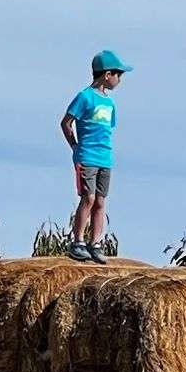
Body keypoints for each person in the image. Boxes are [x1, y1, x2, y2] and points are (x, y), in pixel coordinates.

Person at [61, 49, 133, 264]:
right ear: (107, 74)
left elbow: (108, 129)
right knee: (88, 198)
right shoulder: (85, 96)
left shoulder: (110, 103)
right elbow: (66, 122)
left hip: (104, 156)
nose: (119, 79)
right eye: (118, 74)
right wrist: (75, 146)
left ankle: (96, 243)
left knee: (101, 201)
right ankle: (78, 241)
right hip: (87, 155)